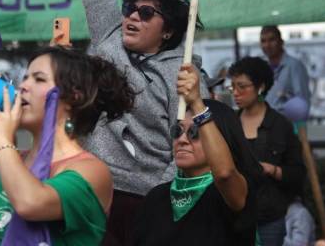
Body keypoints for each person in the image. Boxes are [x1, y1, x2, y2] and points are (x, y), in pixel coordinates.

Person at [77, 0, 207, 244]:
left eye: (146, 13)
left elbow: (191, 145)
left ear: (167, 30)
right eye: (131, 7)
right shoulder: (109, 34)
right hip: (84, 185)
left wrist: (159, 201)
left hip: (142, 202)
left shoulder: (184, 74)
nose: (133, 15)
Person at [0, 46, 135, 245]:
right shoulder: (5, 161)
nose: (23, 86)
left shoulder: (92, 172)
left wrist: (3, 139)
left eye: (39, 79)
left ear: (74, 97)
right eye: (25, 77)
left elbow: (30, 202)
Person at [133, 64, 258, 245]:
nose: (182, 140)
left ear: (222, 140)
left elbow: (224, 174)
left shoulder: (234, 191)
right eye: (178, 130)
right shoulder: (156, 197)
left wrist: (197, 103)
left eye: (195, 133)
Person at [228, 56, 306, 246]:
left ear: (260, 87)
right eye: (232, 88)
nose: (235, 93)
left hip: (270, 216)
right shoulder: (230, 123)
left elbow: (298, 173)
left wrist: (274, 170)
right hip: (234, 215)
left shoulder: (281, 125)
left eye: (242, 86)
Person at [259, 26, 311, 110]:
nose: (267, 45)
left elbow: (302, 103)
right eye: (263, 41)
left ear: (281, 42)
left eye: (272, 40)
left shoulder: (294, 66)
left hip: (288, 121)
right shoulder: (262, 69)